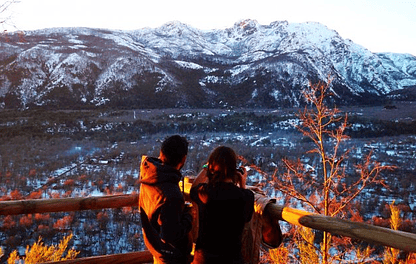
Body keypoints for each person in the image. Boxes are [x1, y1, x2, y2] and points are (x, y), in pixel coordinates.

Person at [190, 146, 255, 264]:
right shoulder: (245, 196)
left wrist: (206, 168)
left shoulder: (205, 192)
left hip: (203, 259)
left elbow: (194, 187)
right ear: (233, 170)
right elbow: (247, 217)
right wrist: (243, 184)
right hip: (231, 259)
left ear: (211, 168)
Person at [139, 135, 193, 264]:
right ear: (183, 159)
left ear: (161, 153)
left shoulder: (149, 176)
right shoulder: (171, 194)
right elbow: (171, 236)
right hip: (171, 257)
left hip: (156, 249)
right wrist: (188, 216)